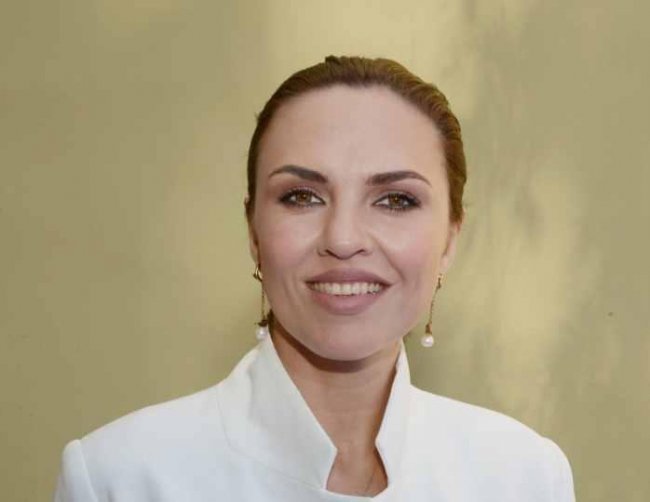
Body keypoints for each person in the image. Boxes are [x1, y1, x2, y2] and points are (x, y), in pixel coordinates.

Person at [54, 55, 575, 501]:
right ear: (254, 231)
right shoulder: (119, 477)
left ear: (451, 239)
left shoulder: (523, 477)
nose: (343, 239)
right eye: (302, 197)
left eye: (396, 200)